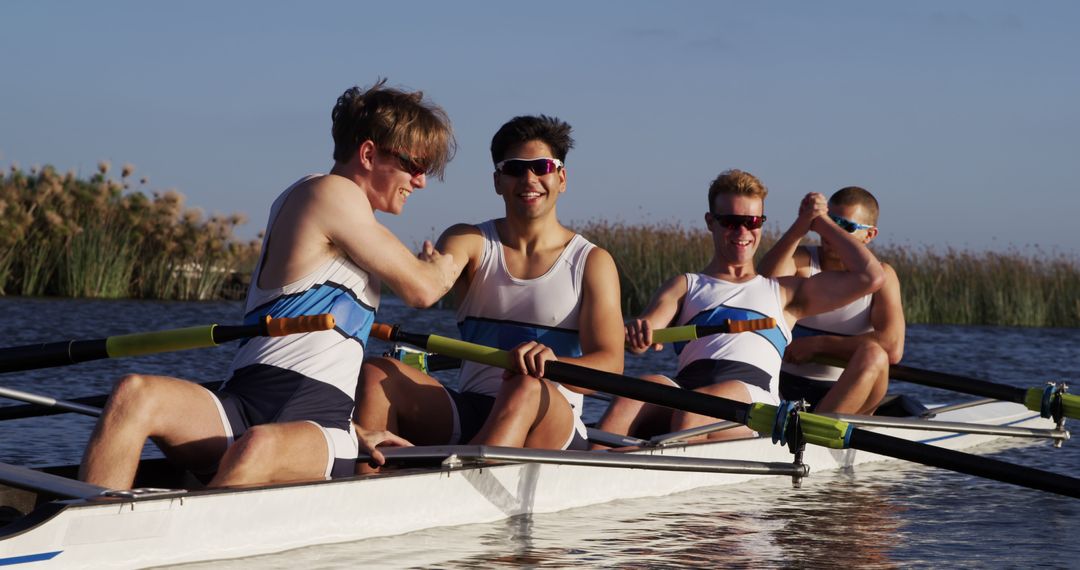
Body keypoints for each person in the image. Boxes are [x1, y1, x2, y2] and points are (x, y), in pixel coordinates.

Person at [79, 79, 459, 489]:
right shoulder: (332, 194)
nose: (420, 182)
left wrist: (355, 430)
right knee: (135, 394)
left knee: (257, 445)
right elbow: (424, 289)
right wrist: (453, 260)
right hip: (244, 401)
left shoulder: (332, 209)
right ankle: (90, 522)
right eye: (415, 167)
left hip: (321, 421)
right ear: (368, 153)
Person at [355, 115, 624, 468]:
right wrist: (429, 270)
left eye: (541, 167)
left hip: (552, 419)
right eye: (514, 168)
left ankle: (459, 485)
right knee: (377, 372)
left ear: (561, 178)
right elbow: (430, 283)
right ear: (498, 181)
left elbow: (611, 365)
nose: (528, 179)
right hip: (476, 409)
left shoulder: (592, 262)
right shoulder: (470, 241)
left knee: (525, 384)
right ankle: (365, 483)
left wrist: (556, 364)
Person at [595, 170, 885, 442]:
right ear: (711, 221)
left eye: (753, 222)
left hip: (754, 401)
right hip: (687, 390)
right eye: (731, 221)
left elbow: (870, 276)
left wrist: (819, 221)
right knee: (629, 397)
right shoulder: (685, 285)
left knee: (692, 414)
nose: (743, 231)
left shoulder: (784, 292)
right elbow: (650, 326)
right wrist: (640, 334)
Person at [758, 186, 904, 414]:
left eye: (844, 226)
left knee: (875, 355)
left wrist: (818, 345)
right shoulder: (802, 261)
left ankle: (818, 432)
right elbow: (763, 283)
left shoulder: (883, 277)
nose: (832, 232)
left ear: (869, 234)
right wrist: (803, 223)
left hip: (848, 393)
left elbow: (892, 347)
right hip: (781, 385)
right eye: (830, 222)